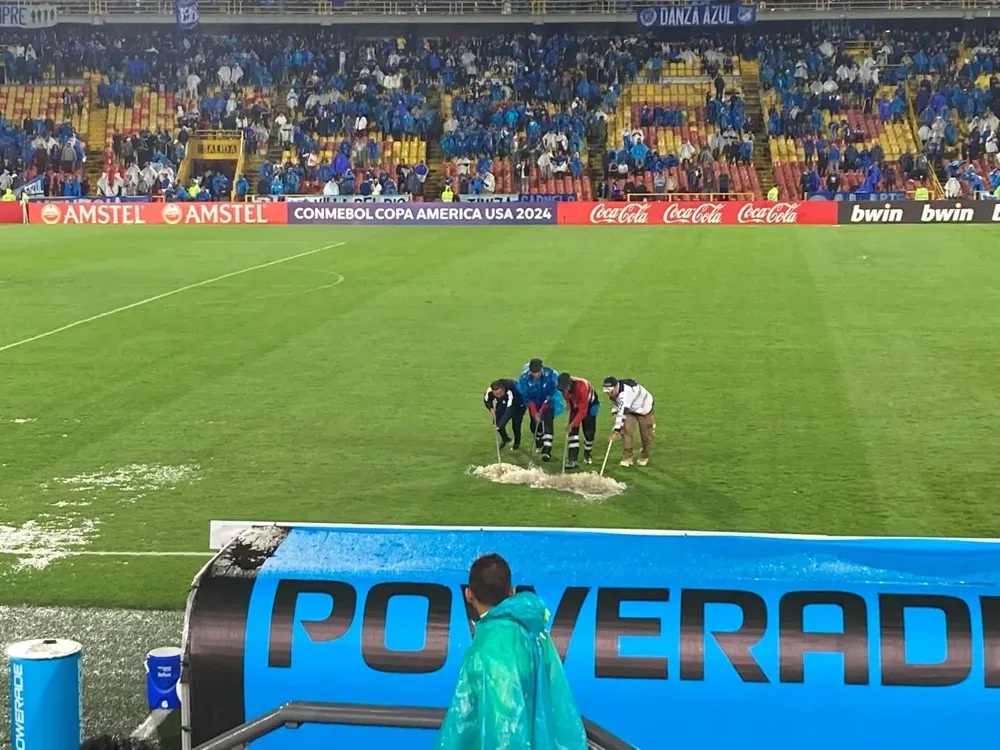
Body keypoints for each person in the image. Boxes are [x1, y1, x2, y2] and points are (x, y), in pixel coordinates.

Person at [436, 554, 587, 750]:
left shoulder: (487, 651)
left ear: (468, 594)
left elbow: (504, 730)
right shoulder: (534, 633)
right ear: (512, 592)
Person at [602, 376, 655, 467]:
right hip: (630, 410)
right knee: (626, 430)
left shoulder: (626, 393)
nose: (609, 394)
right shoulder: (613, 393)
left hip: (644, 408)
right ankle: (627, 457)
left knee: (646, 435)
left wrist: (615, 432)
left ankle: (644, 455)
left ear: (615, 387)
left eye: (610, 391)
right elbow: (617, 406)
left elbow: (622, 411)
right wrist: (615, 414)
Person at [515, 358, 560, 462]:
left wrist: (545, 404)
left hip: (548, 402)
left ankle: (547, 451)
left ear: (541, 369)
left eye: (537, 372)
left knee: (548, 423)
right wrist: (535, 411)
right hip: (534, 403)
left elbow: (554, 392)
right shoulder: (524, 378)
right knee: (535, 424)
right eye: (533, 373)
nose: (536, 375)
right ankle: (538, 440)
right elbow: (526, 397)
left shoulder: (551, 374)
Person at [556, 372, 599, 469]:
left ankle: (587, 455)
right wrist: (567, 403)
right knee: (573, 433)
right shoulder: (562, 387)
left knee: (589, 432)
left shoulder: (582, 387)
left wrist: (572, 423)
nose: (564, 390)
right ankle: (572, 460)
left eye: (565, 388)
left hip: (589, 405)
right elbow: (565, 394)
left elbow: (583, 411)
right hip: (575, 405)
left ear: (570, 384)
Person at [484, 379, 525, 450]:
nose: (498, 396)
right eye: (496, 394)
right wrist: (491, 409)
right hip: (503, 402)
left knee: (516, 425)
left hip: (518, 403)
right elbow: (487, 400)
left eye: (500, 393)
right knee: (496, 421)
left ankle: (516, 443)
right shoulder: (490, 390)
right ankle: (505, 439)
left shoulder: (511, 389)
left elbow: (509, 410)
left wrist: (500, 425)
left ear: (503, 389)